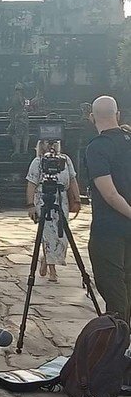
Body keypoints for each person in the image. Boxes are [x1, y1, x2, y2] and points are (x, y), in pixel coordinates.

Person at [85, 96, 131, 323]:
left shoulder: (98, 147)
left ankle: (119, 342)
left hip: (109, 230)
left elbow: (111, 195)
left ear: (92, 117)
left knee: (113, 288)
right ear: (118, 115)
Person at [25, 140, 80, 283]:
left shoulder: (65, 160)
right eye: (47, 143)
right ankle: (52, 270)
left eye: (54, 143)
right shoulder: (38, 161)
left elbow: (72, 179)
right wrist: (30, 205)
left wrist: (77, 199)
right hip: (44, 197)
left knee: (61, 235)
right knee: (48, 234)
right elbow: (31, 183)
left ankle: (47, 259)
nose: (51, 146)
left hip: (62, 199)